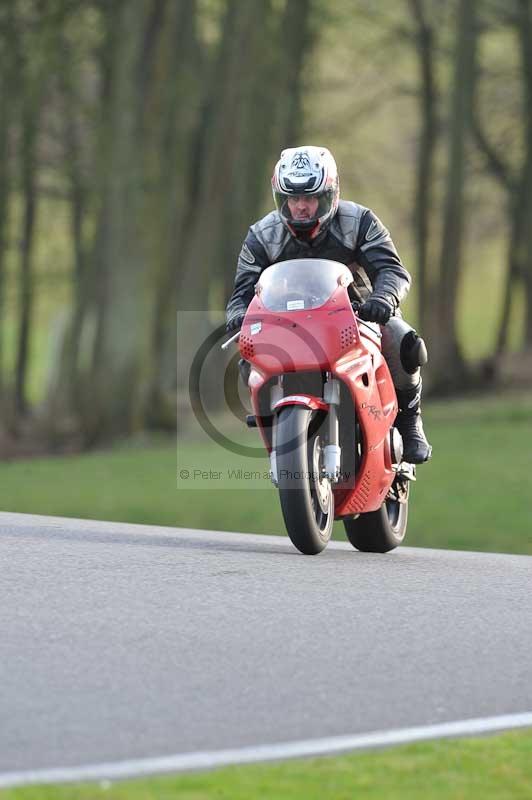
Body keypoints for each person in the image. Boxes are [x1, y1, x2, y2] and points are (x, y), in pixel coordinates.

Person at [225, 146, 431, 464]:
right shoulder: (261, 236)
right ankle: (274, 416)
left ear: (330, 194)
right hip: (288, 325)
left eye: (310, 198)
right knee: (247, 354)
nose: (301, 208)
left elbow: (393, 271)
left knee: (404, 340)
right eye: (292, 199)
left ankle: (409, 420)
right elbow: (241, 293)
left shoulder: (360, 221)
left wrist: (382, 299)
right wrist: (238, 315)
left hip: (359, 317)